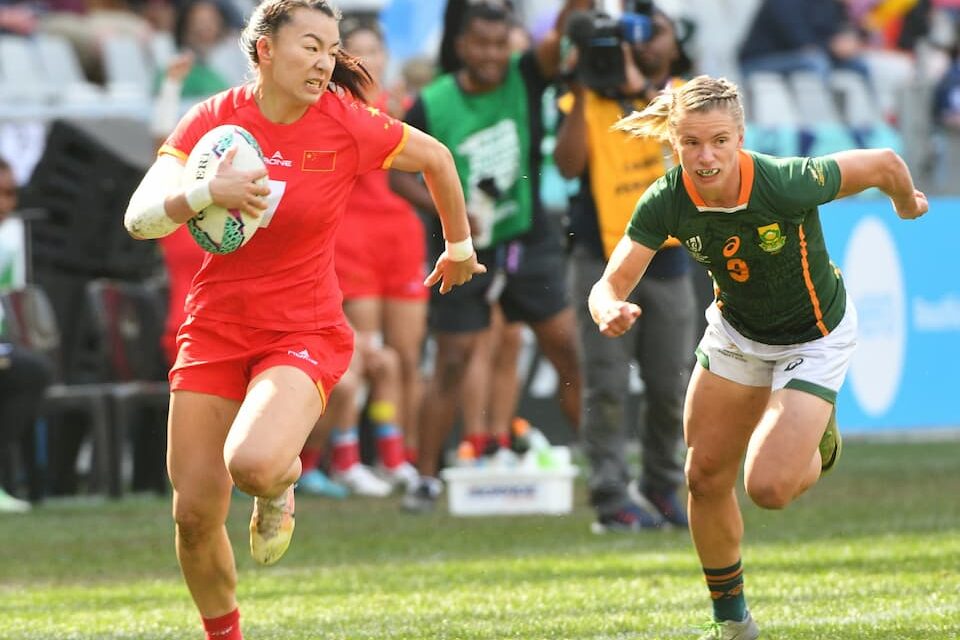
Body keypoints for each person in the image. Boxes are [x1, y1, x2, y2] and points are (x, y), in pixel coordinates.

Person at [122, 2, 483, 639]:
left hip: (303, 329)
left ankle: (281, 483)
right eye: (309, 46)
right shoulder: (214, 118)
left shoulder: (347, 123)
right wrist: (207, 193)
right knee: (194, 517)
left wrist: (458, 247)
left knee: (255, 463)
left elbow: (438, 160)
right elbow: (141, 219)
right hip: (213, 329)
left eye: (331, 48)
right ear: (264, 50)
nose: (325, 62)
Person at [588, 74, 928, 639]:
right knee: (701, 476)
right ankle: (732, 625)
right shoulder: (667, 199)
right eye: (691, 142)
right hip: (737, 334)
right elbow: (610, 282)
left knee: (768, 489)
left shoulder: (784, 182)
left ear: (740, 137)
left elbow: (886, 162)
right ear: (673, 143)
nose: (706, 156)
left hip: (815, 336)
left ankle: (821, 433)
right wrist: (606, 310)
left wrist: (907, 201)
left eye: (719, 140)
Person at [392, 0, 588, 512]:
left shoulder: (525, 75)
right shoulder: (432, 103)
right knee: (452, 361)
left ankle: (604, 463)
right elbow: (397, 174)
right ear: (460, 46)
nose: (492, 55)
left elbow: (568, 29)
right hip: (462, 247)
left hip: (528, 235)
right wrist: (445, 214)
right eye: (481, 43)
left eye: (501, 44)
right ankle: (426, 478)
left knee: (568, 352)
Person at [555, 4, 696, 533]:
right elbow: (568, 165)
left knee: (670, 385)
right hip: (602, 260)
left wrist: (640, 88)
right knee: (606, 385)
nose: (640, 47)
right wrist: (585, 82)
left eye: (652, 35)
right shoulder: (583, 97)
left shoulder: (682, 97)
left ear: (672, 43)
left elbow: (691, 157)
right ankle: (610, 494)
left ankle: (661, 485)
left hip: (669, 260)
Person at [333, 19, 425, 485]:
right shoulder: (335, 109)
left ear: (387, 56)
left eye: (376, 49)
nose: (369, 59)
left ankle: (400, 455)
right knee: (367, 356)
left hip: (402, 238)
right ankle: (351, 460)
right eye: (359, 51)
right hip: (353, 240)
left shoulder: (406, 105)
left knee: (407, 357)